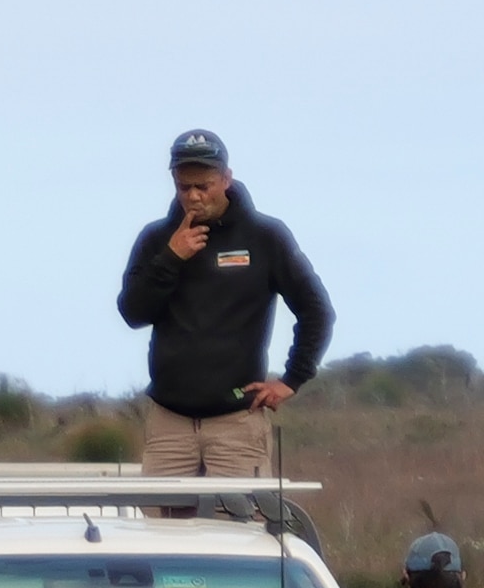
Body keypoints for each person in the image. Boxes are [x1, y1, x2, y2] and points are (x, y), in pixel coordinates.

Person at [113, 130, 331, 481]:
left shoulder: (265, 236)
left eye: (205, 185)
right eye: (185, 187)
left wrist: (292, 378)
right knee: (159, 534)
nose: (195, 196)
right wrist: (171, 258)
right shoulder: (156, 239)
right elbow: (132, 314)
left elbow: (316, 310)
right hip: (169, 422)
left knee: (239, 535)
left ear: (226, 179)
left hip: (237, 424)